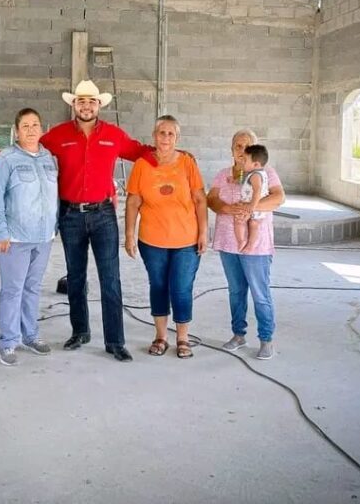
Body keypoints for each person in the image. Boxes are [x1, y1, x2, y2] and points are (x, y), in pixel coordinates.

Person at [40, 79, 152, 363]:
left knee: (110, 278)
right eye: (81, 101)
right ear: (74, 105)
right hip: (70, 215)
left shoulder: (114, 135)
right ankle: (80, 332)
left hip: (103, 215)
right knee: (76, 277)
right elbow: (31, 147)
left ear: (99, 105)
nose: (86, 106)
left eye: (91, 101)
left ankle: (115, 341)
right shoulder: (59, 135)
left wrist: (172, 154)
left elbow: (140, 152)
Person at [124, 116, 207, 359]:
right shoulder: (142, 164)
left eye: (171, 134)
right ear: (154, 136)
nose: (166, 138)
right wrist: (129, 234)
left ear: (177, 138)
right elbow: (133, 201)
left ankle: (182, 338)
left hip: (186, 240)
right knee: (158, 286)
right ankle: (161, 336)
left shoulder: (187, 163)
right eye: (162, 132)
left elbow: (200, 199)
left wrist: (204, 232)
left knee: (181, 288)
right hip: (152, 241)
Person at [0, 108, 59, 367]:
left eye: (35, 125)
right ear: (16, 131)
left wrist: (54, 226)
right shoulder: (6, 159)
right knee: (12, 290)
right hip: (15, 238)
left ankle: (30, 335)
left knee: (32, 288)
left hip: (44, 237)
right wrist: (1, 232)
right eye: (25, 126)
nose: (30, 130)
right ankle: (8, 341)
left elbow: (54, 195)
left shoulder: (48, 158)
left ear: (42, 129)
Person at [206, 129, 285, 360]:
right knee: (236, 291)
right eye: (237, 146)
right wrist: (228, 208)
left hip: (256, 245)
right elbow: (211, 199)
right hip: (228, 242)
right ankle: (238, 334)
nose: (241, 151)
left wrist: (249, 207)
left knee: (260, 293)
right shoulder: (223, 174)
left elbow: (278, 197)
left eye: (246, 146)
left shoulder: (265, 172)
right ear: (231, 150)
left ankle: (266, 339)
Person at [234, 144, 270, 253]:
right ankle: (250, 245)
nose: (242, 162)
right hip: (257, 208)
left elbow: (257, 190)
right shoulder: (259, 173)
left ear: (256, 164)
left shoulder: (255, 175)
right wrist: (234, 180)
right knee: (254, 225)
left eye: (245, 160)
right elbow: (244, 181)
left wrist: (251, 206)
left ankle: (241, 241)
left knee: (239, 221)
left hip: (250, 205)